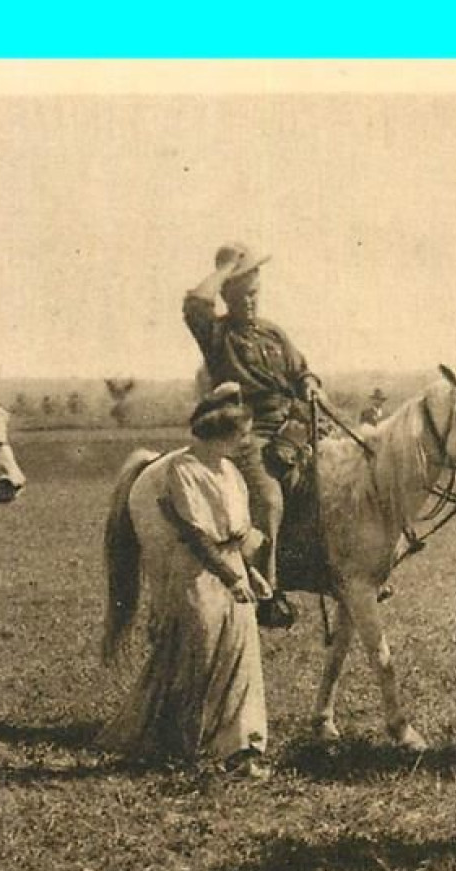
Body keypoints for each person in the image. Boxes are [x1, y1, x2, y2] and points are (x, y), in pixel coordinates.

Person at [99, 384, 273, 779]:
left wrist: (255, 573)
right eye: (242, 434)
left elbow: (238, 533)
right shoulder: (183, 471)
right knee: (199, 650)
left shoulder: (230, 471)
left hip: (232, 570)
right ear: (222, 433)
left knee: (242, 657)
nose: (246, 441)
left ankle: (241, 750)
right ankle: (181, 743)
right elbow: (197, 536)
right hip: (196, 573)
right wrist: (230, 577)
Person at [182, 243, 324, 628]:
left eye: (255, 295)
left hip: (294, 423)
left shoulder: (273, 332)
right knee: (268, 498)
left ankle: (338, 569)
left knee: (339, 476)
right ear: (227, 294)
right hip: (250, 432)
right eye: (243, 296)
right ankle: (270, 592)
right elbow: (195, 303)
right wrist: (226, 268)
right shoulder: (217, 335)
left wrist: (309, 385)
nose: (250, 303)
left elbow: (302, 370)